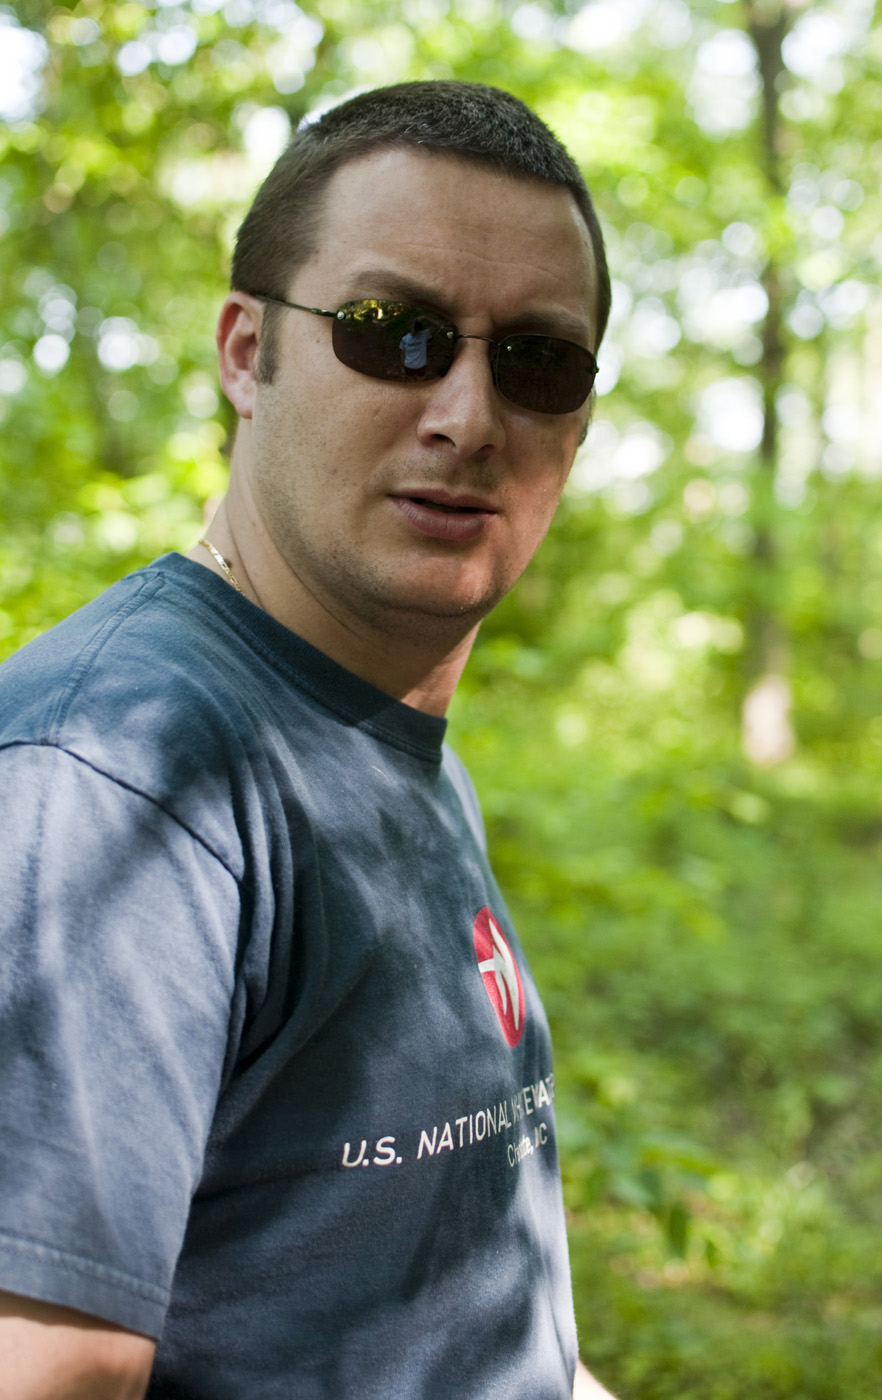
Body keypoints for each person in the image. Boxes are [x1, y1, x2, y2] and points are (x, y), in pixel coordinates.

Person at [0, 81, 615, 1398]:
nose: (467, 417)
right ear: (245, 352)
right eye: (393, 334)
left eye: (537, 361)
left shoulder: (385, 742)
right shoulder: (120, 777)